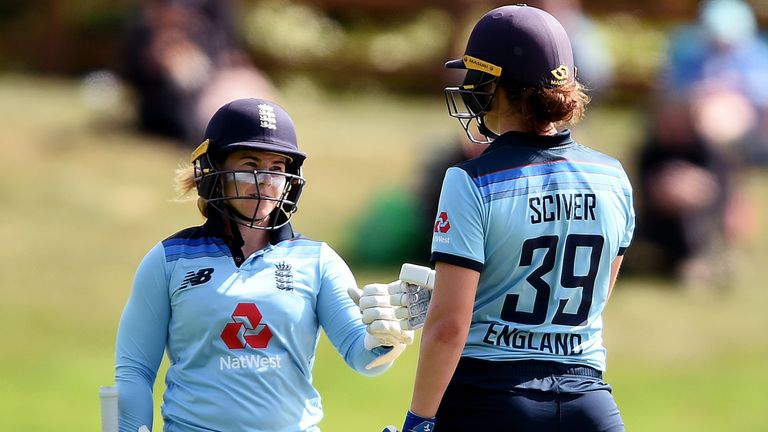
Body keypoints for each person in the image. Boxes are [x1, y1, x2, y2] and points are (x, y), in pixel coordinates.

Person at [397, 5, 635, 431]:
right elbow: (595, 298)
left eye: (476, 78)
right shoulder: (613, 177)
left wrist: (419, 420)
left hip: (491, 401)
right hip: (590, 405)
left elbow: (450, 327)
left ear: (496, 87)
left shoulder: (469, 181)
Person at [114, 98, 413, 432]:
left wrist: (385, 339)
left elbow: (363, 358)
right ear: (214, 171)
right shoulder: (169, 259)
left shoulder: (318, 261)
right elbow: (134, 370)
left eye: (276, 168)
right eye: (250, 165)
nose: (265, 182)